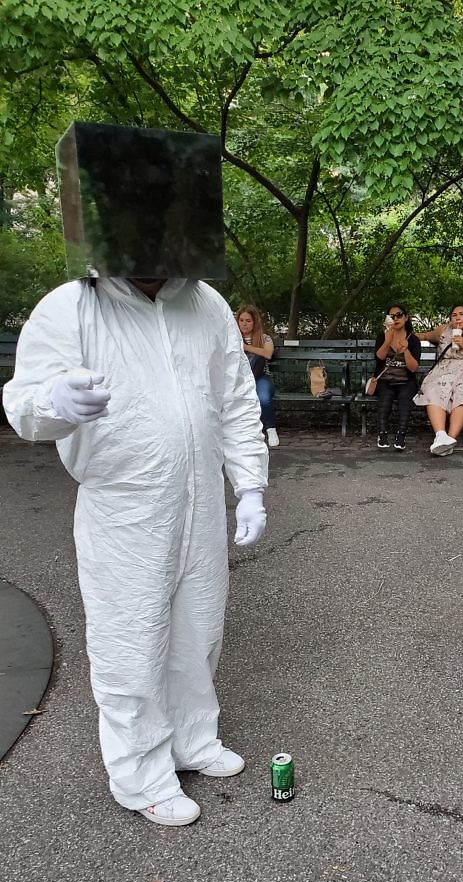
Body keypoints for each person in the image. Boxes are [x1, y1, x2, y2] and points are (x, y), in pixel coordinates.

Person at [3, 123, 269, 828]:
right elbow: (24, 403)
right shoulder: (71, 308)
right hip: (123, 507)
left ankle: (192, 739)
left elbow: (236, 399)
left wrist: (250, 483)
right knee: (131, 640)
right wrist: (52, 405)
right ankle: (141, 775)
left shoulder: (204, 305)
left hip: (198, 500)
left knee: (198, 630)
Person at [415, 304, 463, 455]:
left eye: (461, 314)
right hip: (443, 371)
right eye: (454, 315)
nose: (457, 317)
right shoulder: (443, 331)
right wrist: (404, 336)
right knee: (434, 389)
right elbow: (424, 336)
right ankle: (441, 436)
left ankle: (449, 439)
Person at [372, 304, 422, 450]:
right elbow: (380, 357)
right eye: (392, 316)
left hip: (406, 380)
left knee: (406, 397)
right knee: (385, 396)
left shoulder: (413, 340)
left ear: (406, 318)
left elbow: (413, 368)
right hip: (385, 378)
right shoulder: (382, 336)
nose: (396, 318)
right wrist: (388, 340)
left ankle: (401, 434)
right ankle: (382, 433)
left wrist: (406, 350)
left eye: (399, 315)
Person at [236, 304, 279, 448]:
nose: (244, 324)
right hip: (238, 379)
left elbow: (267, 353)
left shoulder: (264, 338)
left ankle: (271, 430)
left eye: (248, 320)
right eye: (241, 320)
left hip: (260, 378)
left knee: (264, 398)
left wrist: (245, 347)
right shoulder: (232, 338)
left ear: (254, 322)